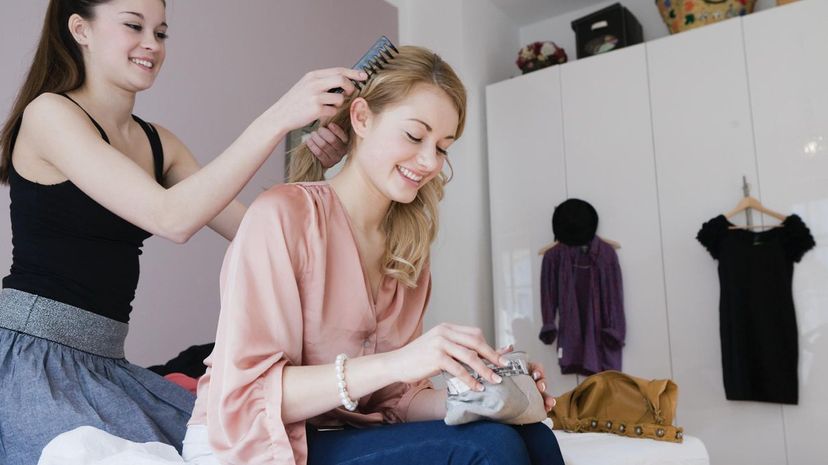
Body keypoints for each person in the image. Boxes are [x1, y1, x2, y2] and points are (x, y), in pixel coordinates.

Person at [0, 1, 362, 464]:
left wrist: (317, 171)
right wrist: (276, 118)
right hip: (32, 362)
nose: (151, 44)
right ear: (80, 30)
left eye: (162, 32)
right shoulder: (49, 115)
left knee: (237, 440)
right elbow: (171, 217)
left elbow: (261, 236)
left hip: (106, 363)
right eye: (134, 26)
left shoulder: (158, 143)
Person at [185, 45, 565, 465]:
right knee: (490, 448)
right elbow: (248, 395)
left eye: (442, 147)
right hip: (246, 439)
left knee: (531, 435)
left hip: (335, 434)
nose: (428, 162)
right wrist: (400, 361)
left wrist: (484, 391)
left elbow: (394, 402)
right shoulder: (283, 215)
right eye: (414, 135)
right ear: (362, 117)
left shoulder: (408, 252)